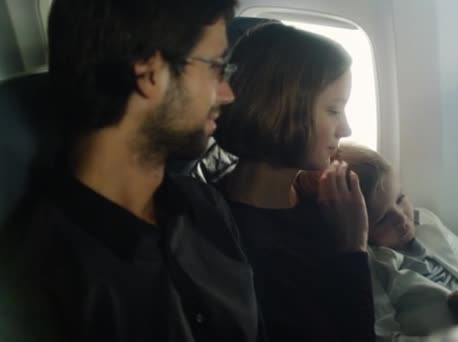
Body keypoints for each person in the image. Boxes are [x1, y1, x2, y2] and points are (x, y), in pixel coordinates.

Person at [0, 0, 264, 341]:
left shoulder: (204, 206)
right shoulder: (41, 282)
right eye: (217, 67)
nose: (228, 94)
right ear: (149, 72)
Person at [212, 23, 375, 342]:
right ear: (281, 109)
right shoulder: (247, 244)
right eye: (333, 110)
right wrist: (354, 246)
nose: (346, 128)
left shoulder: (312, 198)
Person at [320, 143, 458, 339]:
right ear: (357, 227)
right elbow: (386, 336)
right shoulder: (372, 268)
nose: (401, 219)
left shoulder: (427, 222)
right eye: (382, 219)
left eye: (400, 199)